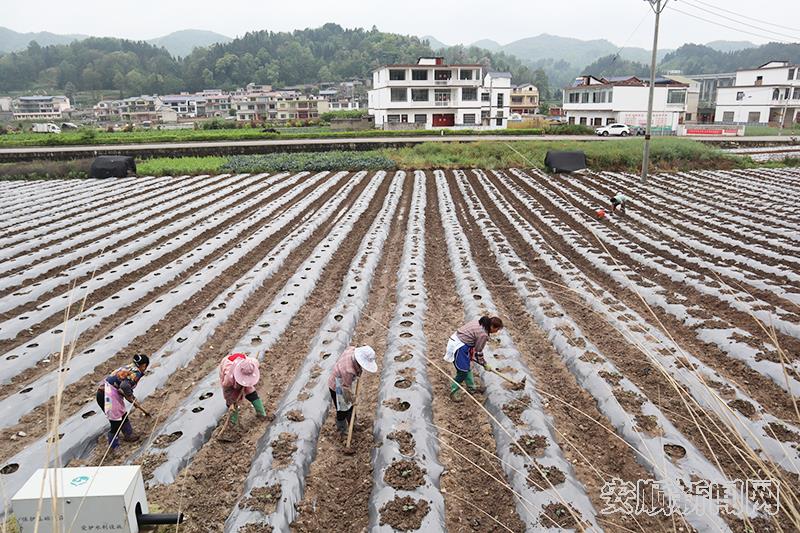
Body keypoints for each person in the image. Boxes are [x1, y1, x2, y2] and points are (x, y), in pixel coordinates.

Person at [96, 354, 150, 452]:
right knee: (115, 421)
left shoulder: (130, 367)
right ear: (144, 365)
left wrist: (129, 396)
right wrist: (130, 396)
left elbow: (122, 386)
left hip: (106, 392)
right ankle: (114, 447)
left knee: (122, 413)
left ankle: (128, 434)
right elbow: (125, 386)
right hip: (107, 395)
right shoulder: (136, 373)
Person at [445, 316, 504, 401]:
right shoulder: (483, 334)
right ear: (491, 326)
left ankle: (471, 388)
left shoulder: (480, 322)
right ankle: (454, 391)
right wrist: (484, 364)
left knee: (467, 367)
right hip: (458, 346)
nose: (496, 332)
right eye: (497, 329)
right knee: (462, 371)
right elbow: (478, 352)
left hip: (461, 341)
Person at [327, 346, 377, 437]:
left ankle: (353, 424)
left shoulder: (352, 350)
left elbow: (350, 347)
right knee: (342, 409)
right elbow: (345, 389)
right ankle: (342, 430)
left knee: (349, 407)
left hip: (343, 382)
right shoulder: (348, 371)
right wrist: (352, 399)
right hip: (336, 386)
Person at [219, 353, 268, 426]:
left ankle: (261, 413)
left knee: (251, 391)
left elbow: (256, 363)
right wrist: (230, 403)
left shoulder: (251, 364)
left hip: (241, 363)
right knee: (233, 398)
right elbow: (227, 390)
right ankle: (233, 421)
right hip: (229, 372)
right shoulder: (229, 378)